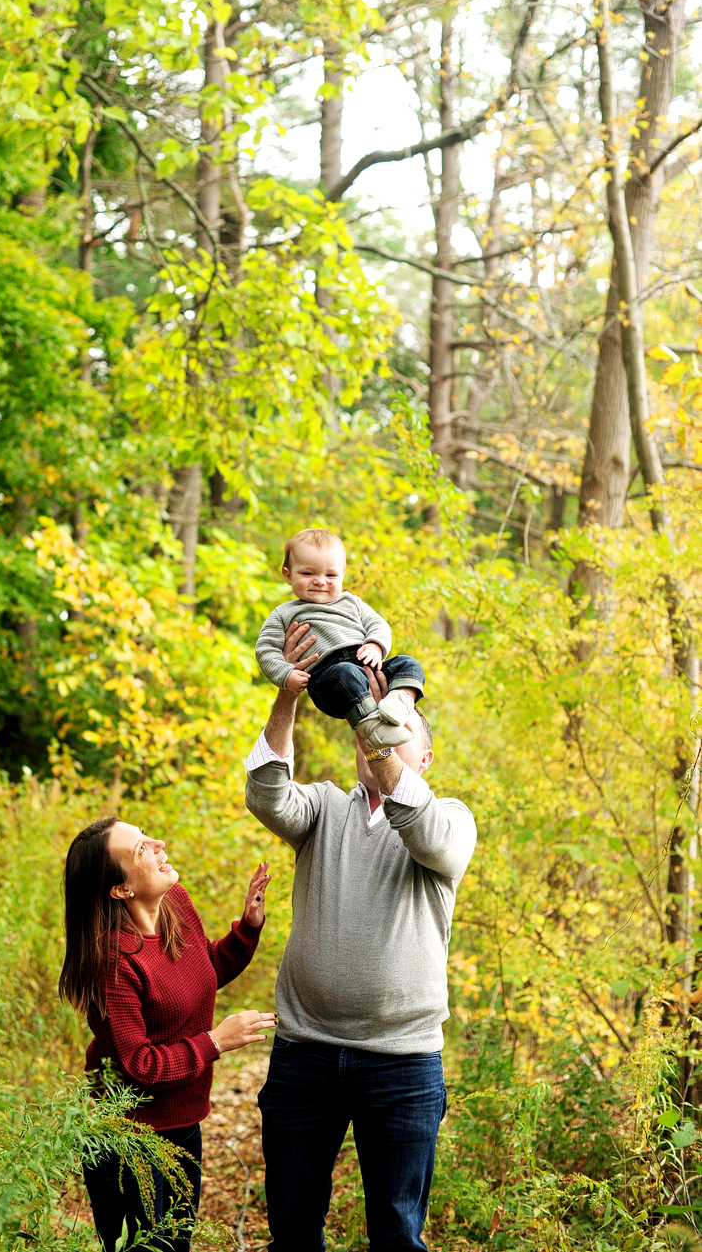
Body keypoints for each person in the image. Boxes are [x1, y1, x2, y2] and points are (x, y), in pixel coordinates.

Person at [246, 622, 476, 1252]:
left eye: (393, 735)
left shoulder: (451, 820)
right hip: (305, 1056)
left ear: (424, 759)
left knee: (397, 1237)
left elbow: (420, 826)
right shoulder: (323, 807)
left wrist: (369, 715)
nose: (373, 739)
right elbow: (265, 794)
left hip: (402, 1063)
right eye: (364, 732)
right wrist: (288, 696)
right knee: (292, 1233)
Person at [59, 816, 276, 1252]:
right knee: (142, 1248)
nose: (158, 844)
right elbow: (139, 1065)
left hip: (181, 1120)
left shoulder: (176, 901)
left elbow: (202, 974)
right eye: (140, 848)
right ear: (120, 889)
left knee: (175, 1244)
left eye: (147, 837)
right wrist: (214, 1042)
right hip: (126, 1136)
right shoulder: (113, 961)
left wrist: (247, 927)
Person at [255, 528, 425, 749]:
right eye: (308, 574)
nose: (320, 582)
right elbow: (265, 650)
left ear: (343, 575)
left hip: (366, 664)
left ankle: (398, 702)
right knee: (346, 673)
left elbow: (378, 624)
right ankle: (374, 728)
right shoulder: (285, 613)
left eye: (331, 575)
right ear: (288, 575)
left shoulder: (352, 603)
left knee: (409, 663)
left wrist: (374, 645)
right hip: (328, 678)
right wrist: (285, 675)